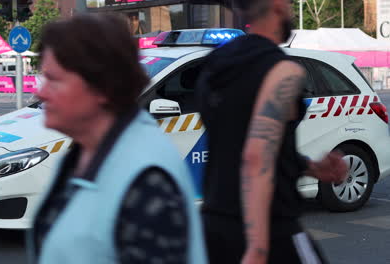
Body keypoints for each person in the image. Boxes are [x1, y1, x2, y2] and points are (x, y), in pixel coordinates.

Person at [28, 13, 207, 264]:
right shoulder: (81, 151)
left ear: (101, 87)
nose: (40, 92)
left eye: (54, 80)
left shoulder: (146, 182)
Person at [195, 0, 348, 263]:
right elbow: (257, 156)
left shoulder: (214, 65)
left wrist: (311, 167)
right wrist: (257, 247)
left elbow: (235, 142)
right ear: (278, 5)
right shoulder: (282, 72)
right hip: (270, 229)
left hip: (214, 227)